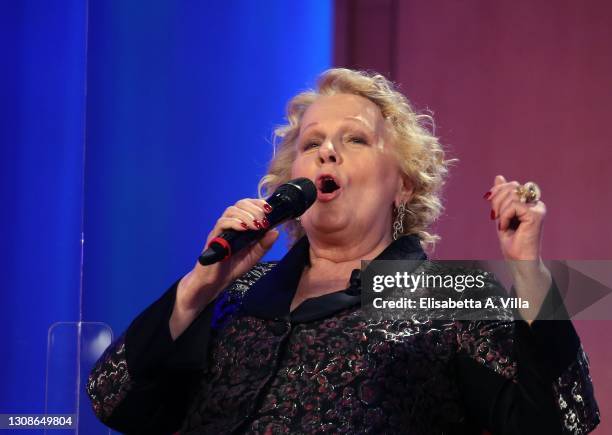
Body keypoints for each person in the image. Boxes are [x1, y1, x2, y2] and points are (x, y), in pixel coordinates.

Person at [86, 68, 600, 434]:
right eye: (312, 144)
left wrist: (526, 269)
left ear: (402, 184)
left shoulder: (443, 295)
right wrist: (200, 286)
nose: (327, 150)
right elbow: (114, 402)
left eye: (354, 139)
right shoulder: (236, 293)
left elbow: (559, 418)